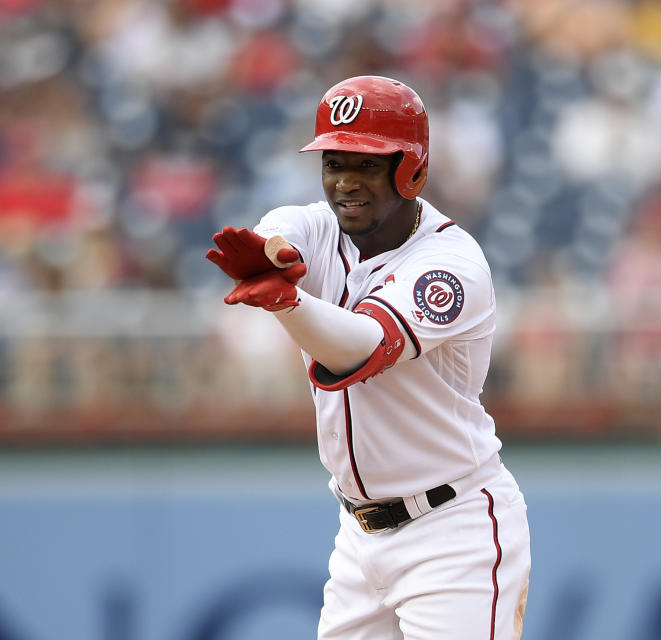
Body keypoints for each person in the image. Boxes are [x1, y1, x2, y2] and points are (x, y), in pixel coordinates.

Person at [205, 75, 530, 640]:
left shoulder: (452, 264)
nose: (345, 182)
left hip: (453, 531)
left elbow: (360, 347)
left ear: (412, 170)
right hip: (359, 535)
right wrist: (272, 256)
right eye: (334, 163)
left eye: (367, 165)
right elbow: (282, 229)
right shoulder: (317, 225)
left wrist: (288, 301)